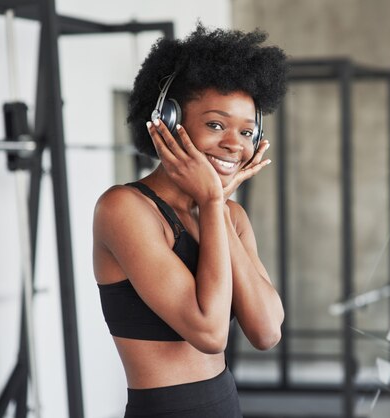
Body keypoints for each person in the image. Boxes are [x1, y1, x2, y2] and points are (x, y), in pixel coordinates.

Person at [92, 24, 288, 418]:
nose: (235, 143)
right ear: (168, 119)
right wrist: (214, 201)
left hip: (226, 405)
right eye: (216, 124)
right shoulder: (123, 208)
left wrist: (214, 204)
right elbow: (209, 332)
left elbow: (266, 331)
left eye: (247, 131)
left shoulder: (229, 215)